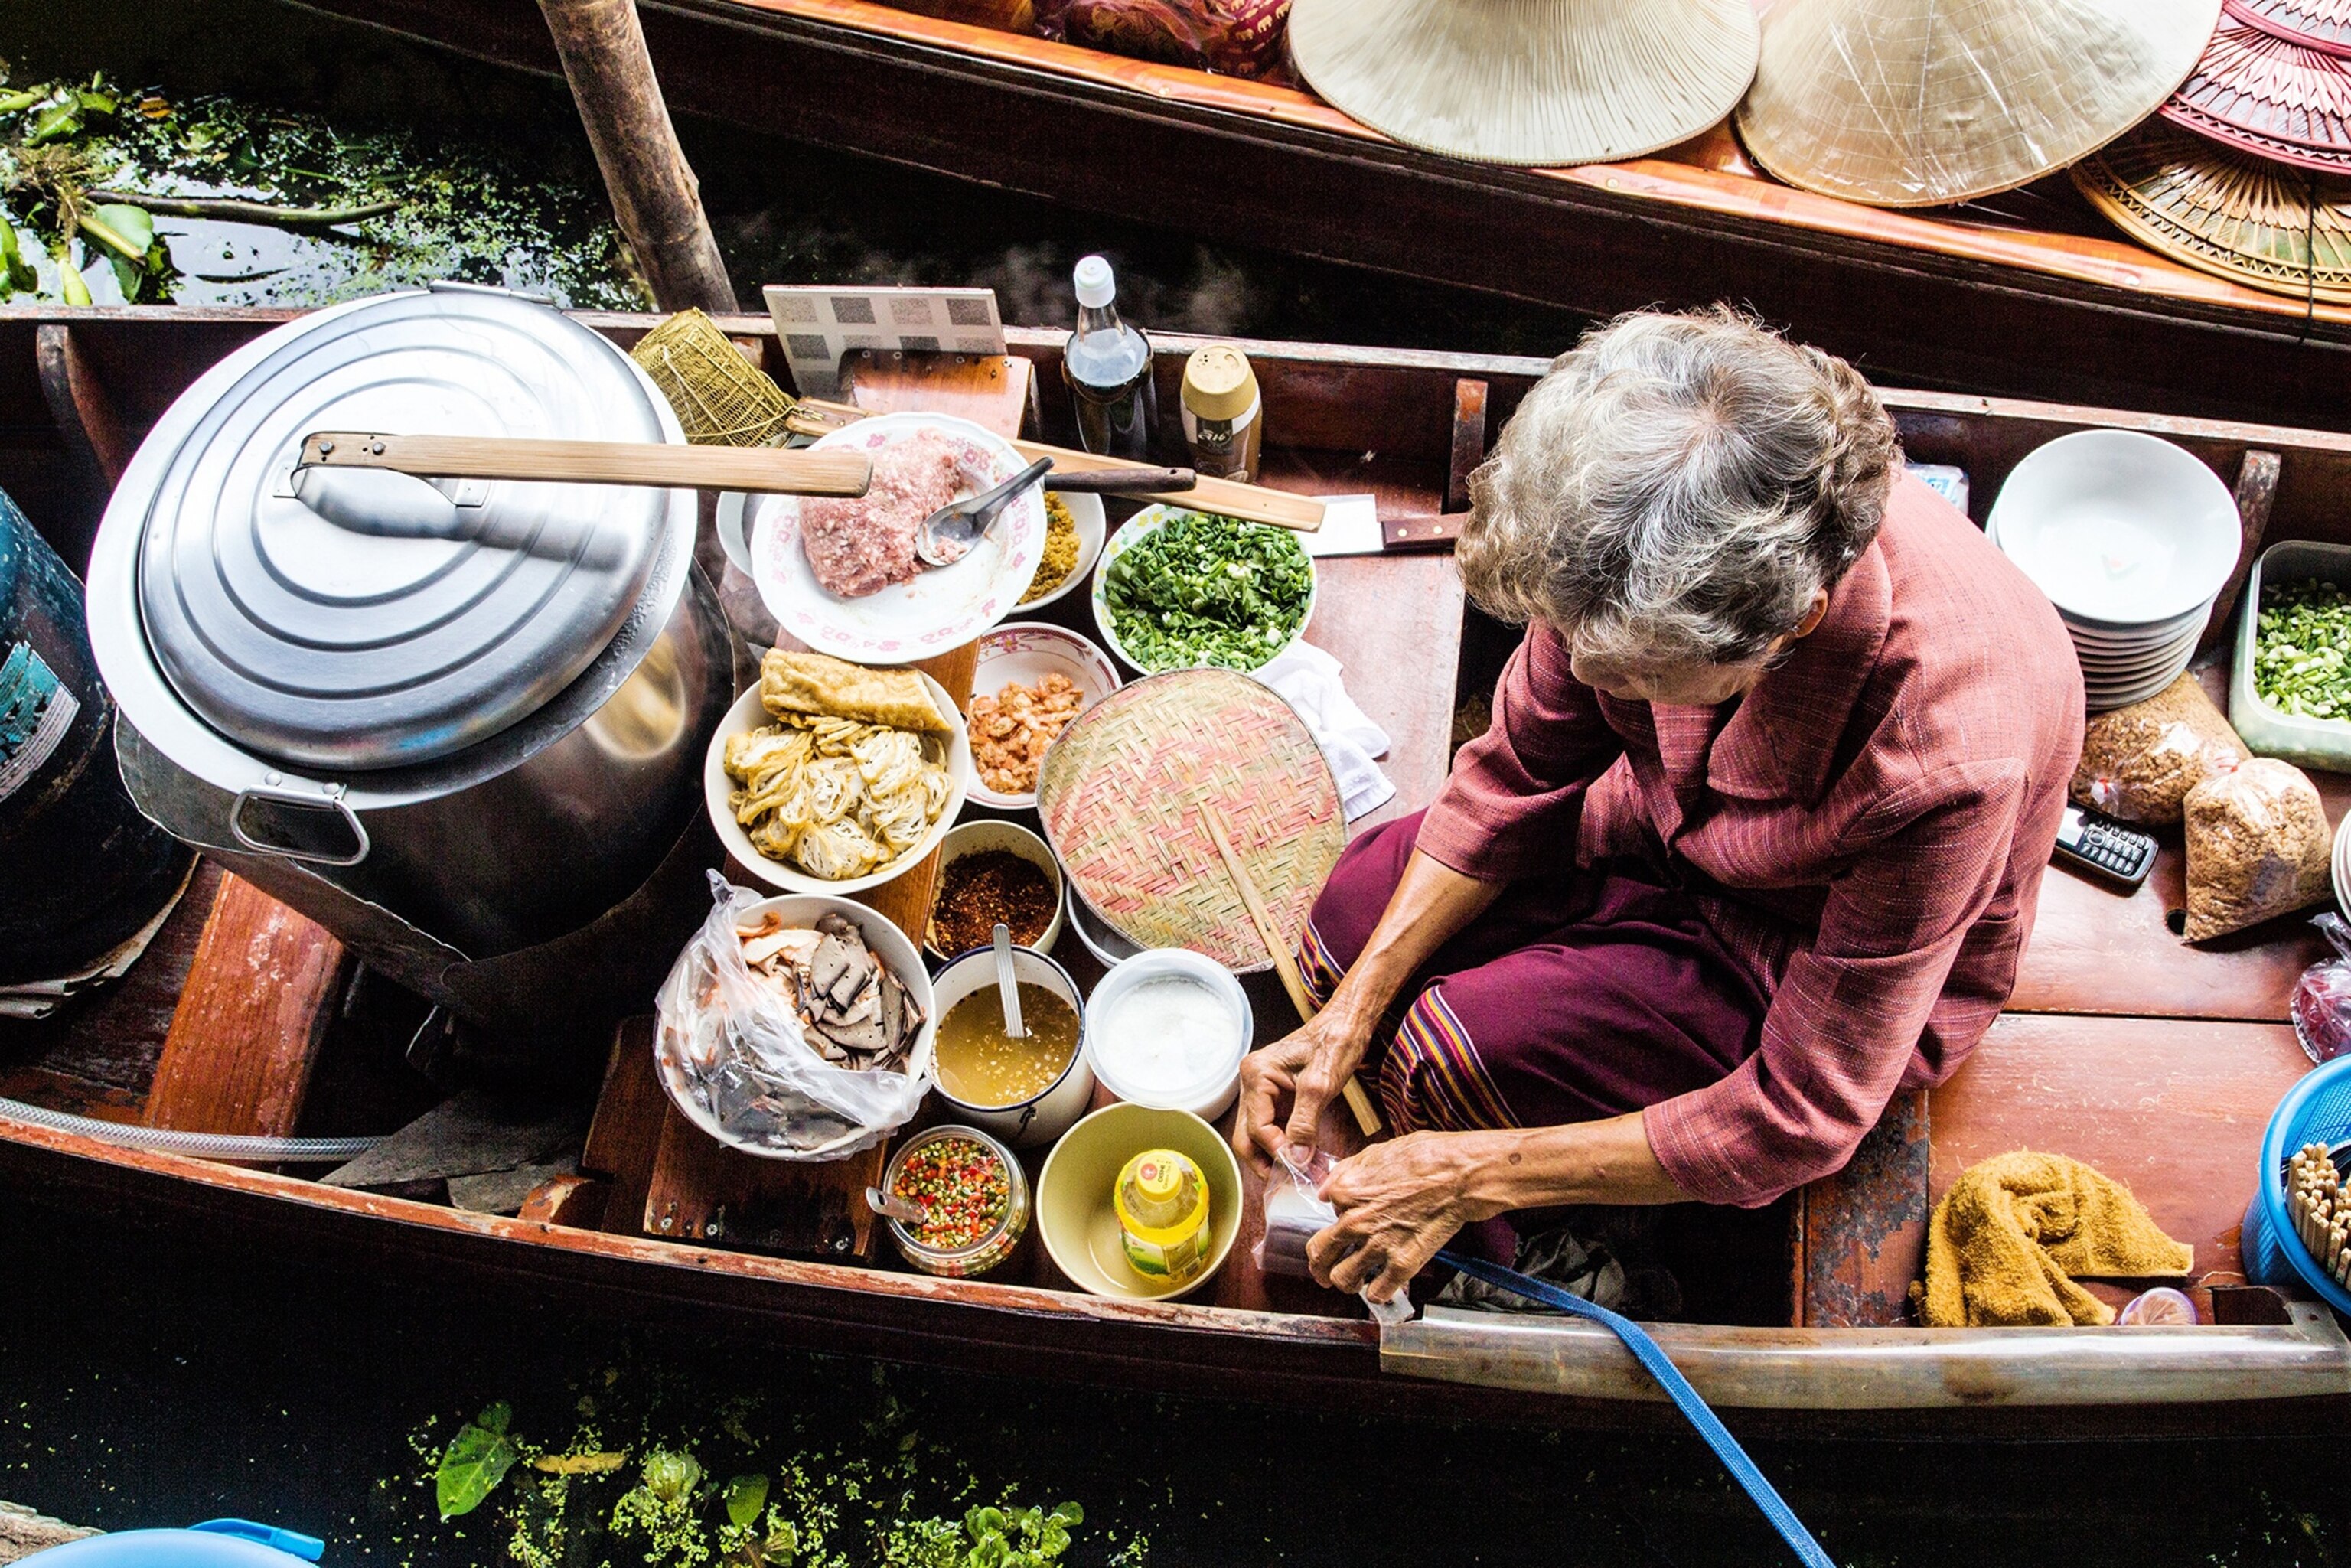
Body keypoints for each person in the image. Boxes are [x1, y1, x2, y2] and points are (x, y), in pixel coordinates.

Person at [1234, 308, 2084, 1304]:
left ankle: (1544, 1241)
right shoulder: (1629, 519)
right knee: (1339, 928)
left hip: (1793, 959)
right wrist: (1346, 1014)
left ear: (1788, 632)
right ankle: (1466, 1114)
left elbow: (1806, 1108)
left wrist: (1469, 1175)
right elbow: (1520, 772)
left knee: (1448, 1056)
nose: (1582, 670)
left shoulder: (1941, 761)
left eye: (1632, 670)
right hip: (1662, 824)